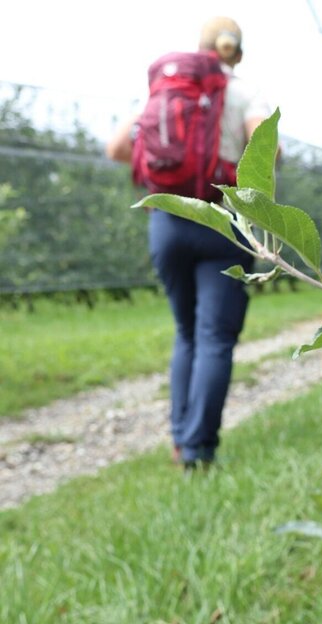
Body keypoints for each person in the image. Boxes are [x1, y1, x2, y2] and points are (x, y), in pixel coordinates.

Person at [107, 17, 274, 470]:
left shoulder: (165, 89)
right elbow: (269, 150)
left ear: (199, 47)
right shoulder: (243, 91)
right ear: (238, 54)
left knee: (186, 333)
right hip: (220, 219)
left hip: (167, 219)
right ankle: (199, 451)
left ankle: (180, 438)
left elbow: (116, 148)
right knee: (214, 337)